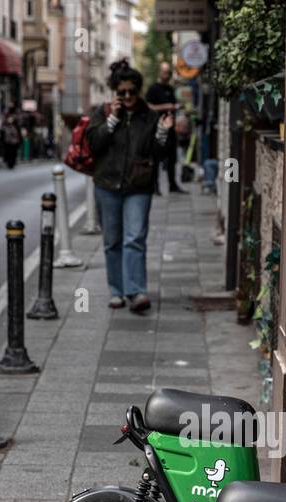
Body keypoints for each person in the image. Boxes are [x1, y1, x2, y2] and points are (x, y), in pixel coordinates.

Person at [87, 60, 173, 313]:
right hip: (106, 184)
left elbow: (160, 154)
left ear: (138, 90)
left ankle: (136, 291)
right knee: (112, 241)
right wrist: (112, 120)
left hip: (138, 185)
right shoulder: (103, 113)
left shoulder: (150, 116)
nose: (127, 97)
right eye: (121, 93)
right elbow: (94, 145)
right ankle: (116, 291)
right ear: (115, 93)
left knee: (135, 238)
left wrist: (163, 133)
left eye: (131, 92)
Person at [145, 61, 185, 195]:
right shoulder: (153, 89)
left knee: (172, 158)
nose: (166, 75)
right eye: (164, 72)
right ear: (159, 72)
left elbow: (174, 106)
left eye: (168, 72)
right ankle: (155, 187)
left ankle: (172, 185)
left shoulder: (169, 89)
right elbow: (149, 106)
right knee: (155, 158)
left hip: (170, 128)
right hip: (157, 128)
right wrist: (167, 106)